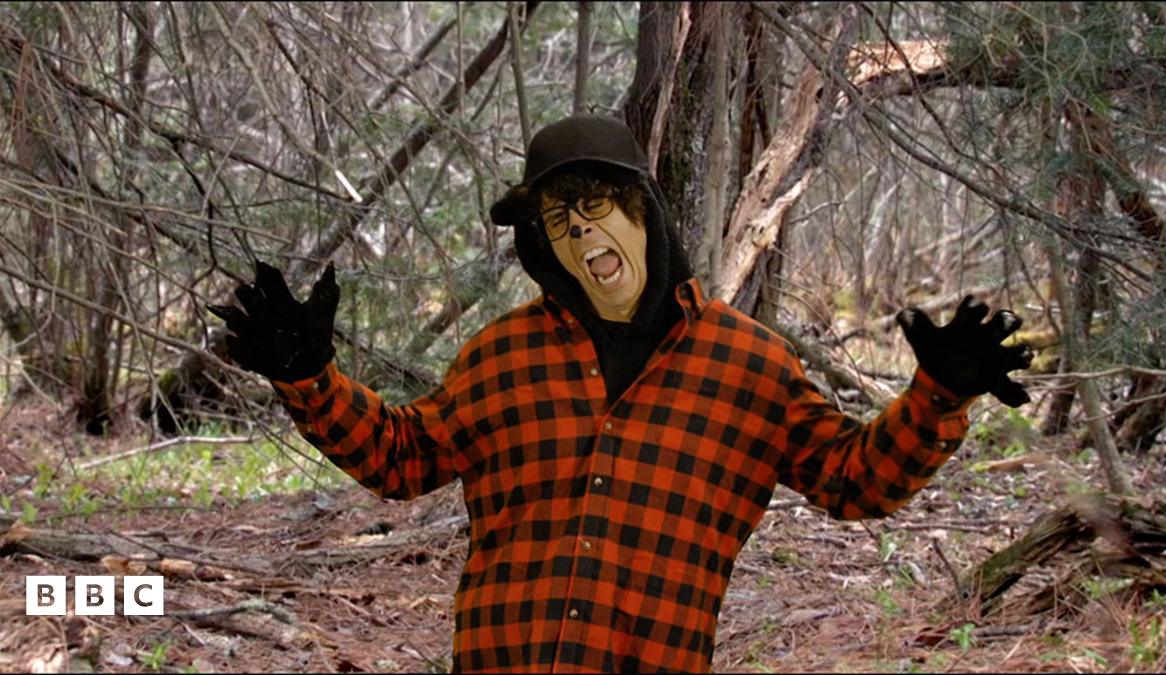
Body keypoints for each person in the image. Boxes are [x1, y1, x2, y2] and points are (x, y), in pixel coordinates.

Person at [208, 114, 1032, 673]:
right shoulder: (501, 356)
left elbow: (855, 481)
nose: (580, 230)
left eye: (595, 204)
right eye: (557, 218)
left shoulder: (749, 366)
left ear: (645, 210)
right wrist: (307, 377)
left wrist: (938, 395)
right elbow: (402, 457)